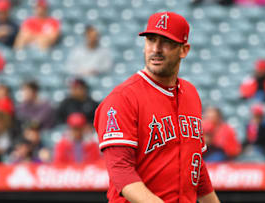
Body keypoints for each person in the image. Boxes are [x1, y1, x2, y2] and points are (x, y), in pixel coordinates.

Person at [94, 12, 220, 203]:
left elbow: (196, 167)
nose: (156, 49)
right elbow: (120, 170)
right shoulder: (122, 99)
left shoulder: (191, 94)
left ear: (184, 50)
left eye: (166, 42)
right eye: (151, 40)